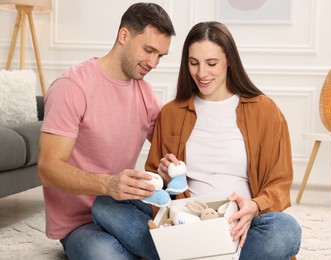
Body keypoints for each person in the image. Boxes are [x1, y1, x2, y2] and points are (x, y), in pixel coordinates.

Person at [92, 21, 301, 259]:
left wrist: (254, 207)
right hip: (185, 222)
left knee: (285, 229)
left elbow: (280, 183)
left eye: (211, 63)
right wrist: (162, 176)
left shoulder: (264, 110)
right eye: (194, 63)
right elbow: (157, 188)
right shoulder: (172, 112)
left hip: (240, 225)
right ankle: (203, 253)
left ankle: (186, 254)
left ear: (229, 61)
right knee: (106, 204)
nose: (201, 73)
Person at [37, 3, 175, 260]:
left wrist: (170, 164)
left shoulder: (143, 92)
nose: (153, 63)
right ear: (124, 36)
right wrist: (108, 184)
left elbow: (170, 142)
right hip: (80, 223)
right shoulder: (72, 87)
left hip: (122, 209)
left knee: (171, 232)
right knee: (105, 255)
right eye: (148, 50)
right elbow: (47, 169)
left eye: (160, 56)